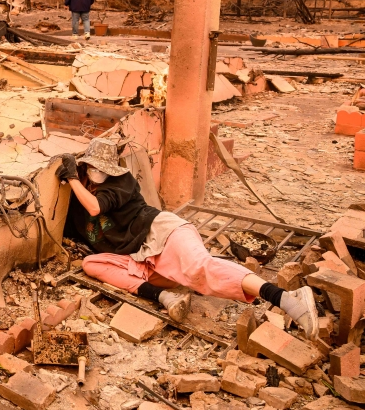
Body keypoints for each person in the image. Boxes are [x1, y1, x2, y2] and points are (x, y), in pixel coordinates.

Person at [57, 138, 318, 337]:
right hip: (139, 256)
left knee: (199, 268)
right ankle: (165, 297)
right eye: (91, 168)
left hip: (163, 233)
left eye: (101, 169)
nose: (96, 173)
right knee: (91, 264)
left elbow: (95, 207)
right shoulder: (81, 192)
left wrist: (72, 179)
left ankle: (285, 298)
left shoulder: (121, 180)